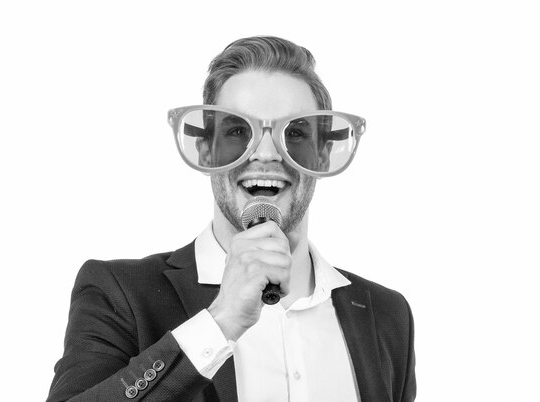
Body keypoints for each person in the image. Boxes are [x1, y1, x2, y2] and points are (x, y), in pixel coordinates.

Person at [47, 36, 416, 402]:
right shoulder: (120, 293)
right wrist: (220, 321)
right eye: (239, 131)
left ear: (322, 155)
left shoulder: (387, 314)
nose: (267, 153)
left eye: (297, 133)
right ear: (206, 150)